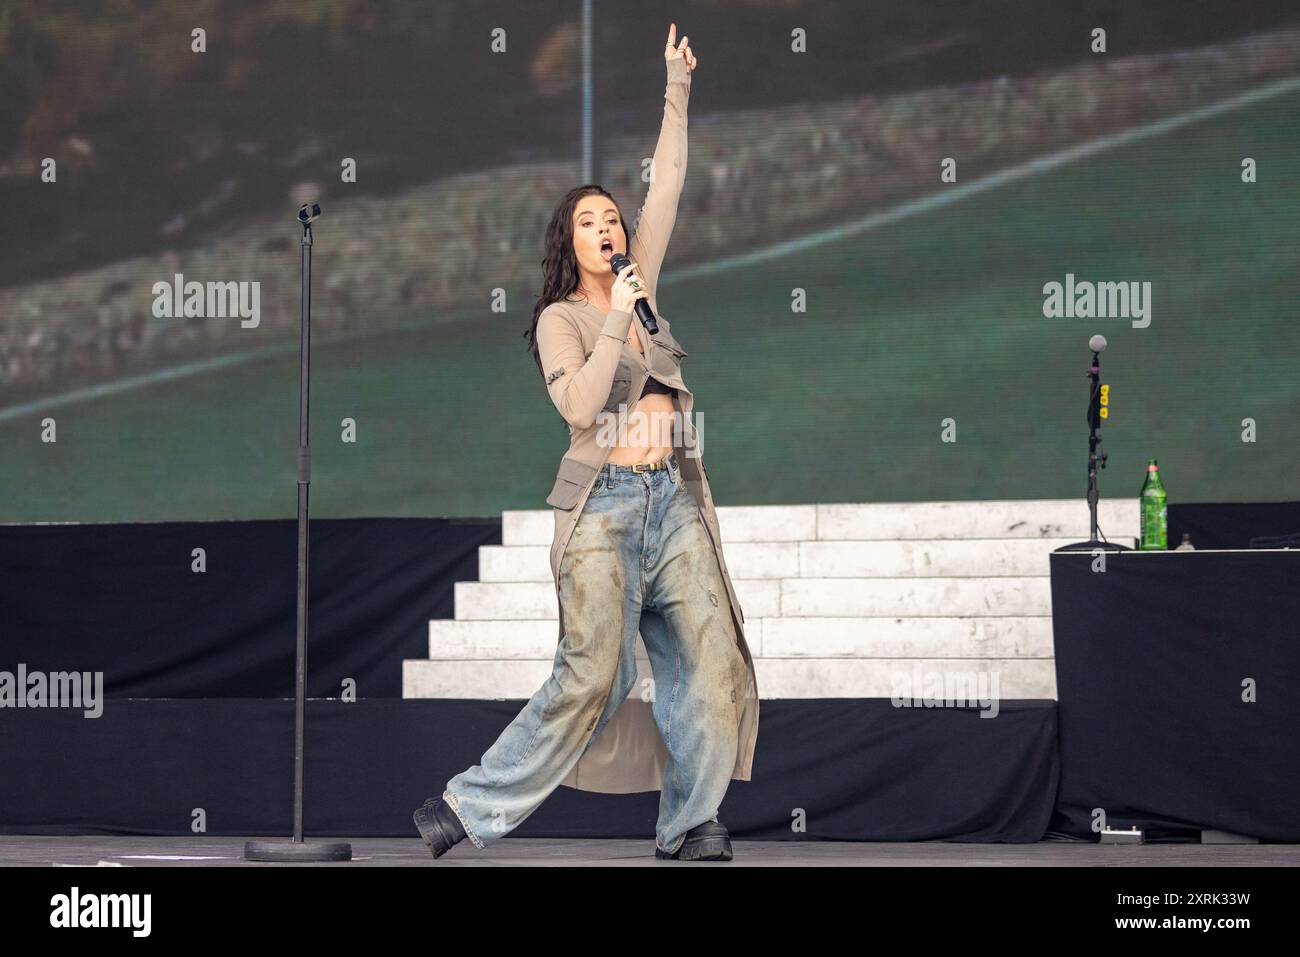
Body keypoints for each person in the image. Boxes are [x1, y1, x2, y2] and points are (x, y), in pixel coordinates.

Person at [415, 22, 759, 862]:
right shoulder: (562, 320)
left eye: (613, 217)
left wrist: (676, 86)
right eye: (591, 223)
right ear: (570, 245)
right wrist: (613, 320)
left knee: (713, 664)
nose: (609, 228)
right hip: (601, 510)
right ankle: (466, 805)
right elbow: (579, 408)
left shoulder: (644, 287)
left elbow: (669, 181)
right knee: (591, 679)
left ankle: (692, 822)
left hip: (671, 500)